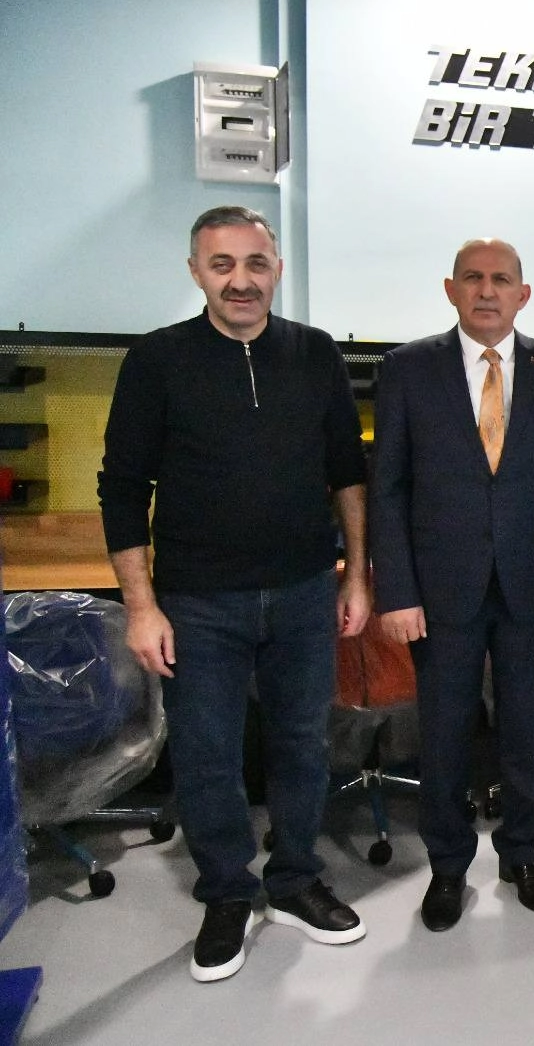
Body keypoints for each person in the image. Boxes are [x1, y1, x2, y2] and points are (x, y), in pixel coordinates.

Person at [99, 206, 370, 983]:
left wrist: (356, 571)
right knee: (207, 757)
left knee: (302, 745)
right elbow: (123, 487)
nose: (240, 280)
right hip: (197, 602)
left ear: (276, 268)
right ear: (196, 272)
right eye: (222, 265)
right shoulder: (157, 359)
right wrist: (142, 605)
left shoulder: (315, 353)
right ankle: (226, 893)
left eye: (255, 263)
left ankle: (294, 880)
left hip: (304, 591)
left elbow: (346, 472)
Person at [368, 238, 534, 932]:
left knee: (527, 731)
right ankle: (447, 866)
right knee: (443, 734)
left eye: (501, 279)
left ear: (524, 294)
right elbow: (387, 488)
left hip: (532, 588)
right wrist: (397, 590)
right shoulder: (407, 369)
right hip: (440, 592)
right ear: (450, 289)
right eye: (473, 278)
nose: (487, 291)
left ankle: (521, 853)